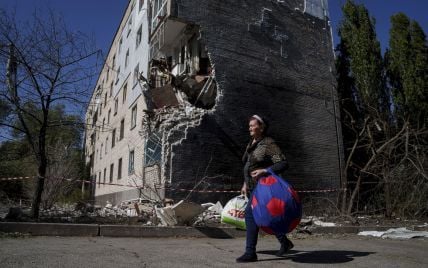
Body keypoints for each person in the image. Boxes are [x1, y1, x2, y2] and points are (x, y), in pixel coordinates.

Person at [236, 115, 294, 263]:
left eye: (252, 125)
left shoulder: (268, 143)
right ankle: (285, 242)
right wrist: (244, 183)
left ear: (261, 127)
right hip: (251, 187)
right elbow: (248, 167)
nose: (249, 128)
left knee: (251, 214)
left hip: (264, 187)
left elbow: (283, 163)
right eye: (249, 125)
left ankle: (250, 253)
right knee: (266, 216)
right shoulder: (251, 144)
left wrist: (265, 170)